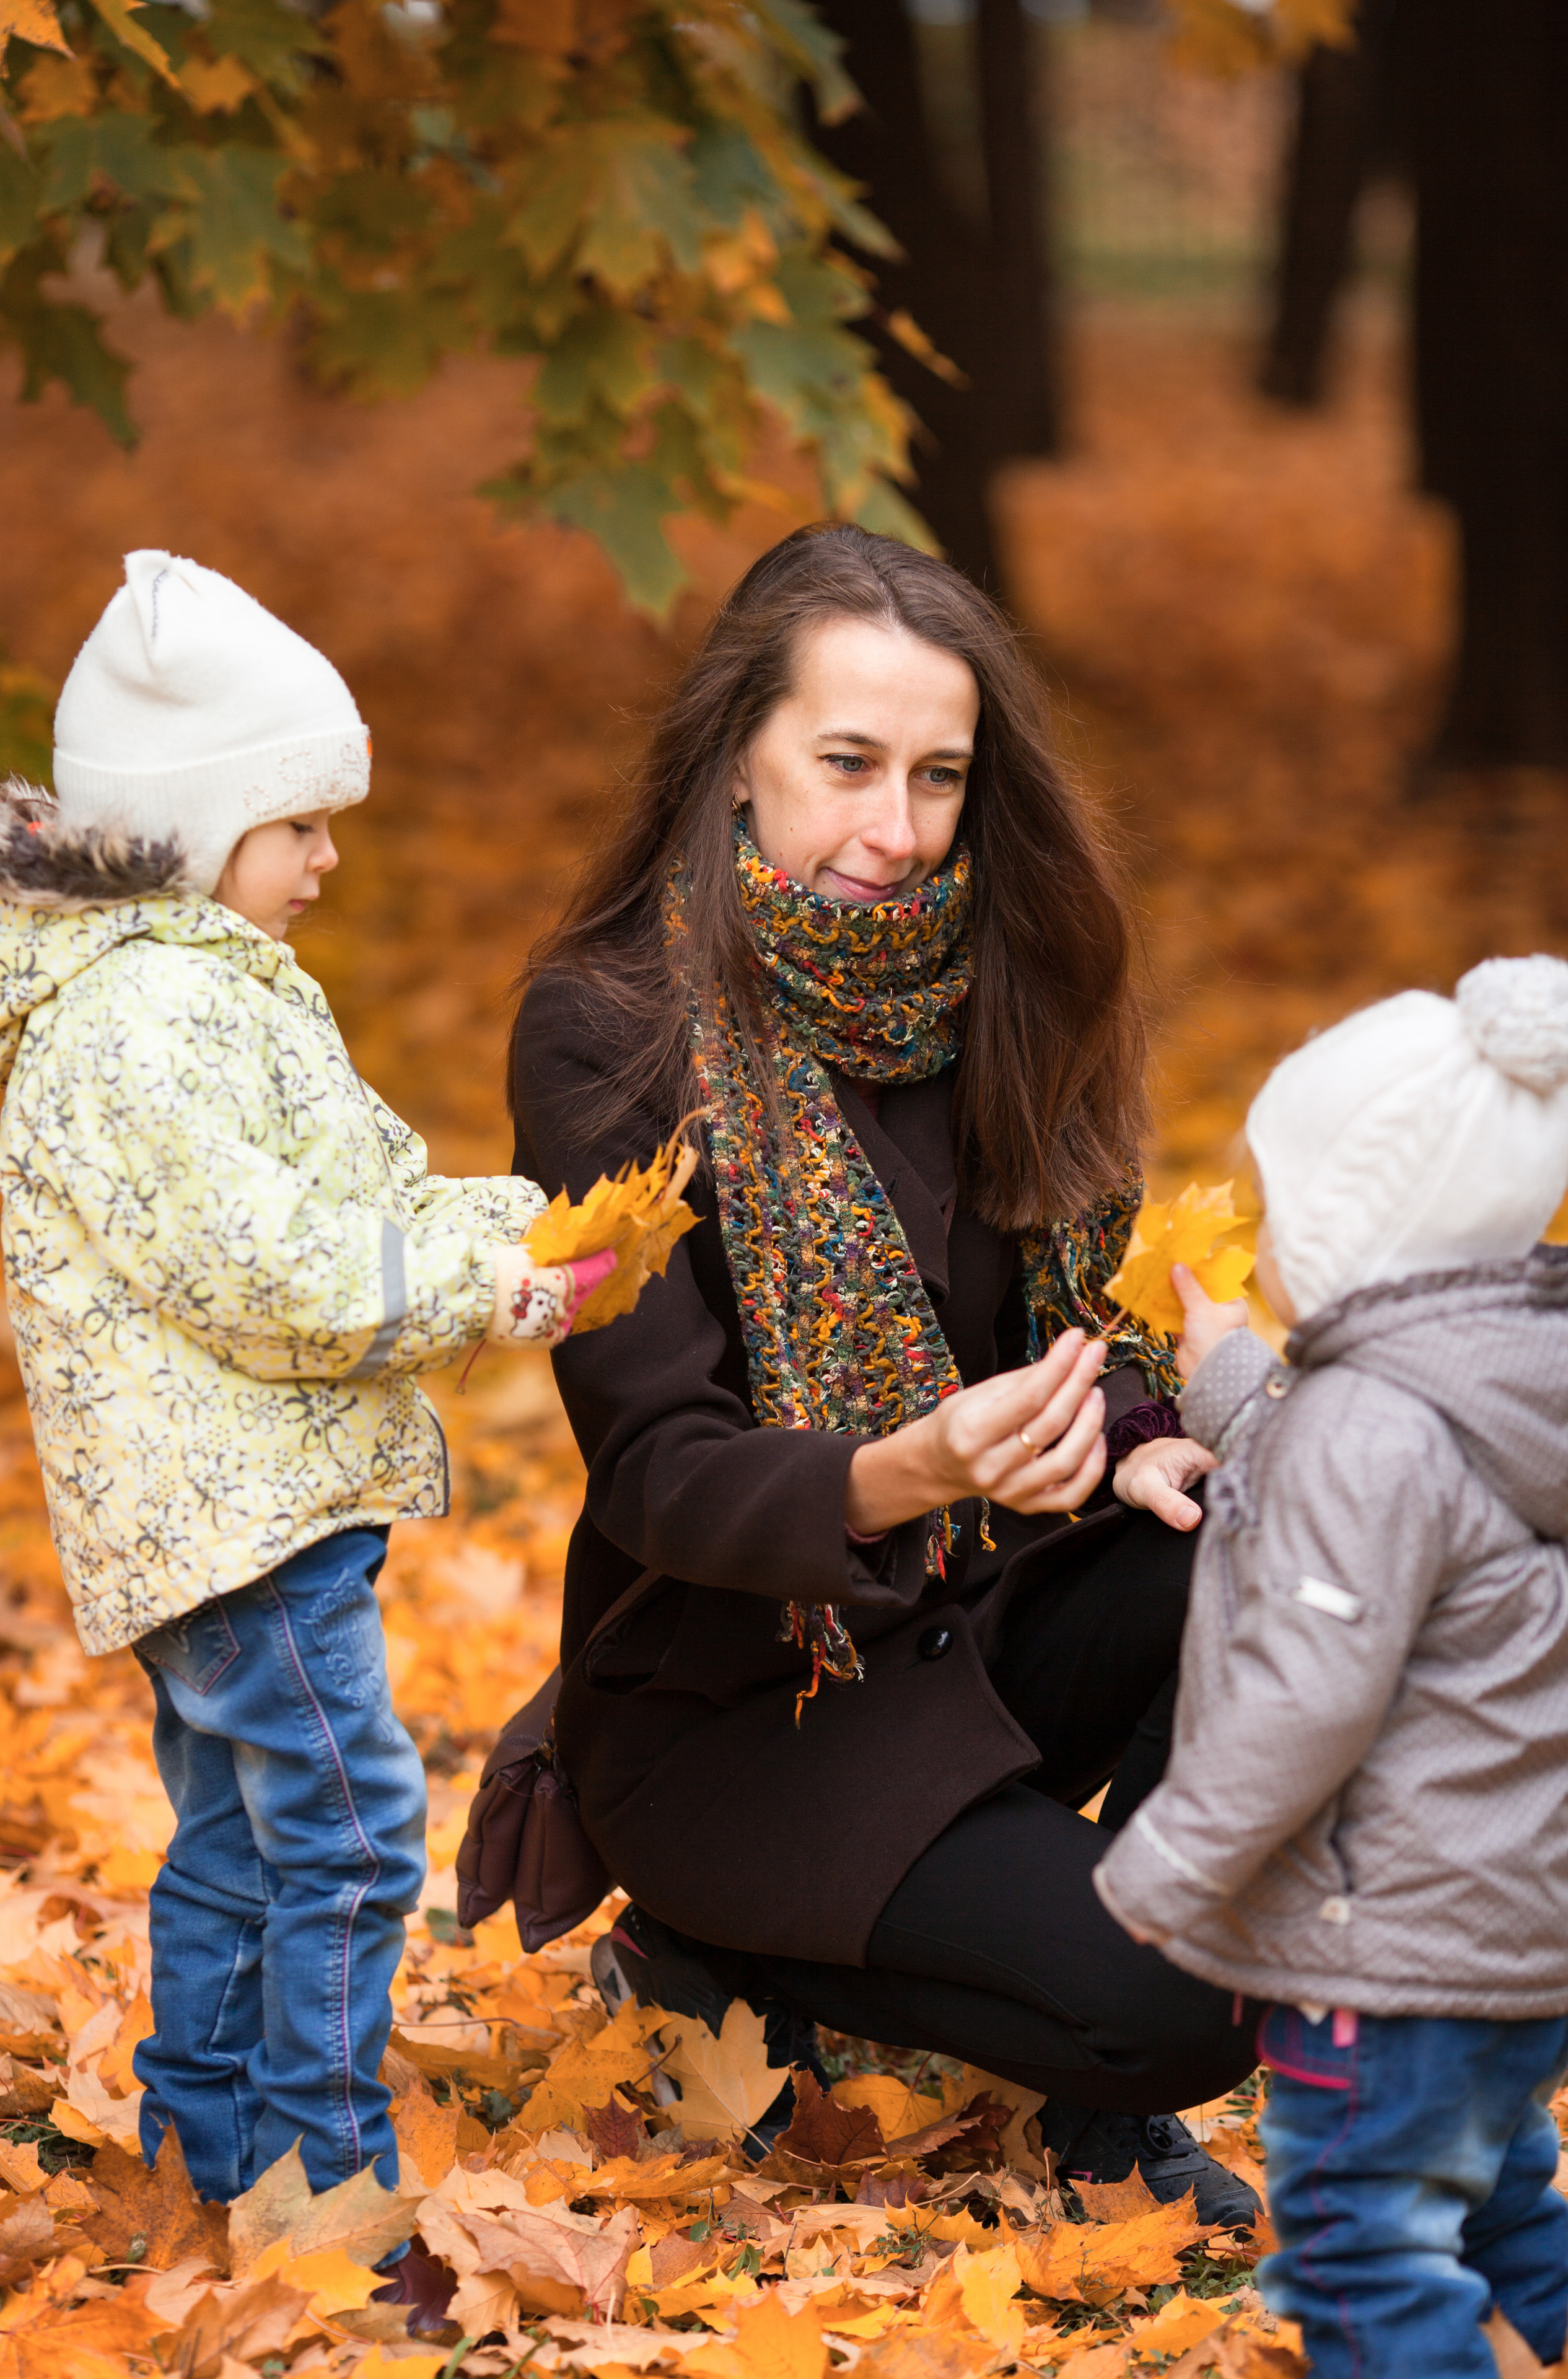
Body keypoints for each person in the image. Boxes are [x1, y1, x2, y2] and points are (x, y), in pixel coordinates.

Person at [509, 523, 1263, 2220]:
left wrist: (1138, 1434)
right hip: (736, 1703)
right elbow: (655, 1464)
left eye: (938, 777)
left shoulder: (1005, 981)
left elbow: (1081, 1325)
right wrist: (914, 1464)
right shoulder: (606, 1031)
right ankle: (714, 1958)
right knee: (1190, 2009)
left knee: (1253, 1534)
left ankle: (1088, 2107)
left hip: (972, 1633)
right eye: (847, 764)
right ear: (735, 761)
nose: (897, 832)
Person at [0, 551, 615, 2218]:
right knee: (341, 1832)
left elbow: (351, 1204)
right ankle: (320, 2174)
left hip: (237, 1510)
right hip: (240, 1521)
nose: (332, 856)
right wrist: (486, 1286)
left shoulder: (210, 995)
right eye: (301, 825)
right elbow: (275, 1276)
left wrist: (526, 1231)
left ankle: (206, 2140)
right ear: (197, 833)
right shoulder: (148, 1026)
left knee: (242, 1842)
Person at [1097, 955, 1568, 2377]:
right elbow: (1373, 1480)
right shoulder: (1496, 1378)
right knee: (1499, 2205)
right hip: (1511, 1929)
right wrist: (1229, 1382)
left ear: (1350, 1225)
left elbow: (1307, 1688)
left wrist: (1166, 1864)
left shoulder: (1365, 1430)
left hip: (1387, 1947)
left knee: (1362, 2240)